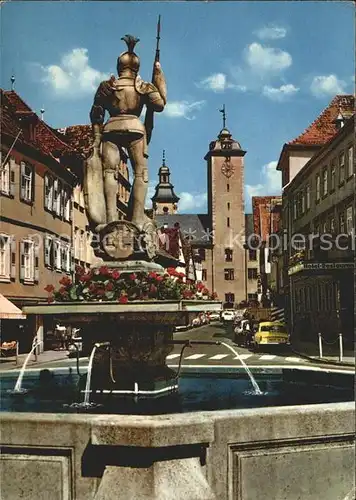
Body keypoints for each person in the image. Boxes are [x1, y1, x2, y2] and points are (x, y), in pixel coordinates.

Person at [88, 34, 167, 231]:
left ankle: (111, 217)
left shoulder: (107, 86)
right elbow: (160, 106)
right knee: (141, 173)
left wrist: (97, 138)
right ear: (137, 68)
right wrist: (158, 77)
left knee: (109, 172)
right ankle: (138, 218)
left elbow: (96, 113)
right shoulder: (142, 86)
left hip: (111, 129)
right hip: (134, 129)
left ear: (119, 67)